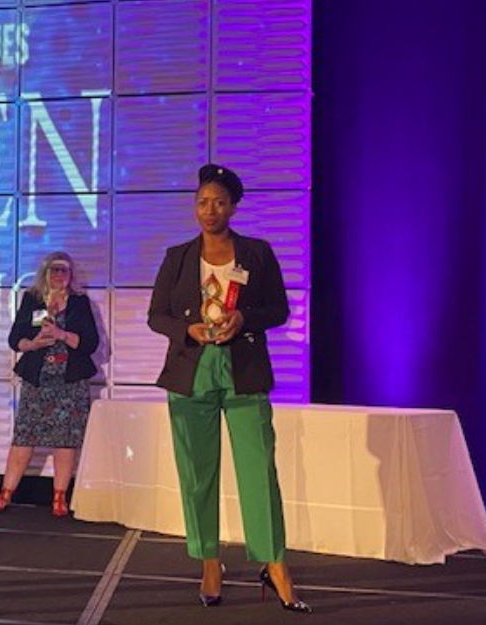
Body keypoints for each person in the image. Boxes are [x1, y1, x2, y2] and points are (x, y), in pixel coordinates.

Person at [147, 164, 310, 613]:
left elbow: (278, 309)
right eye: (202, 201)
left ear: (234, 206)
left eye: (219, 202)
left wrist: (245, 318)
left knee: (259, 472)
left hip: (244, 372)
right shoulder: (177, 256)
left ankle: (274, 563)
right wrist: (189, 329)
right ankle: (210, 561)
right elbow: (156, 315)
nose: (209, 210)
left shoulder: (256, 253)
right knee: (198, 475)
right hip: (190, 376)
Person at [0, 251, 100, 517]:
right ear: (45, 273)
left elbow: (90, 343)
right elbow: (15, 338)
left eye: (64, 270)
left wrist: (62, 334)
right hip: (37, 382)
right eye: (54, 270)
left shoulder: (79, 303)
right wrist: (34, 343)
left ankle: (59, 498)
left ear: (71, 275)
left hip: (68, 383)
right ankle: (5, 494)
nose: (59, 275)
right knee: (24, 438)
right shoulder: (33, 299)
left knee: (65, 441)